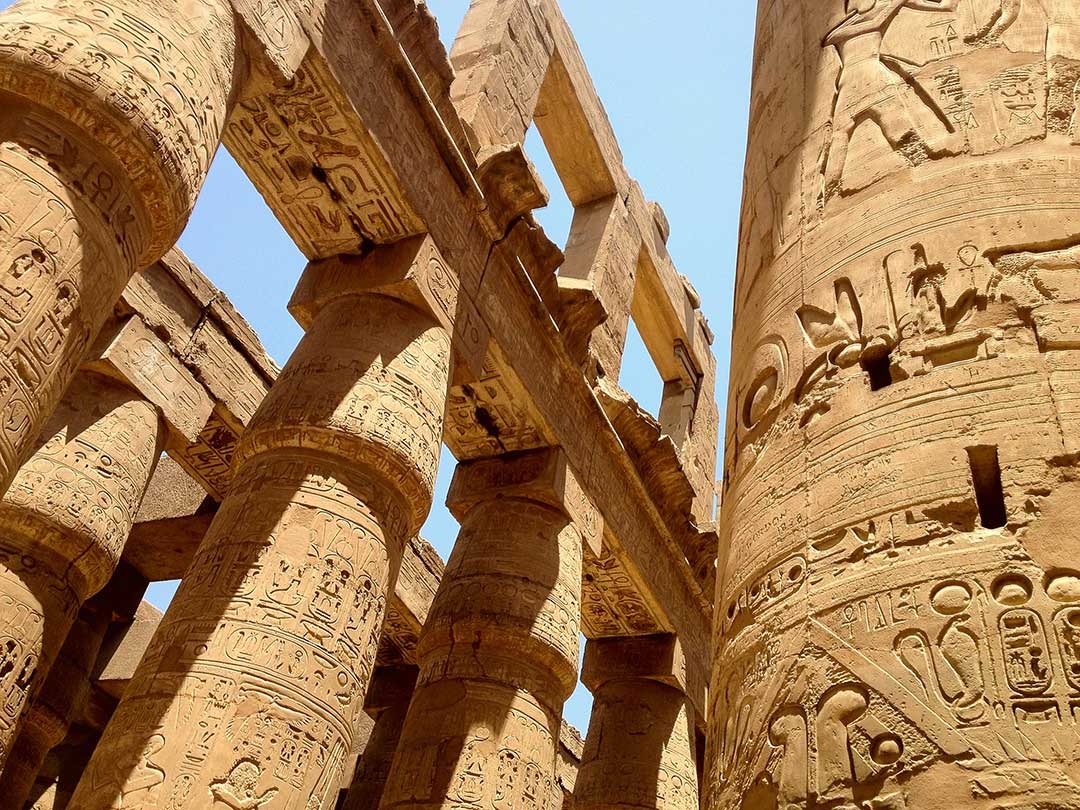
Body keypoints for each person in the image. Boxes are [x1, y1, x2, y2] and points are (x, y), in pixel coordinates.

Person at [823, 0, 961, 195]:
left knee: (894, 124)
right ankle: (829, 189)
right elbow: (869, 24)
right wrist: (894, 4)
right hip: (854, 83)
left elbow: (945, 7)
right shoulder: (844, 28)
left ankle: (921, 159)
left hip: (868, 76)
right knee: (840, 135)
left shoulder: (849, 26)